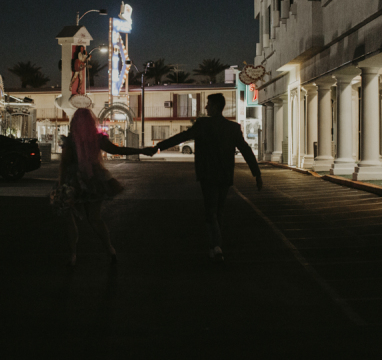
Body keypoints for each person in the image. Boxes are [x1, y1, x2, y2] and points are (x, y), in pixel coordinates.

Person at [147, 93, 263, 262]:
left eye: (208, 104)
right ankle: (216, 245)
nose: (206, 107)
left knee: (210, 212)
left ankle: (216, 246)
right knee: (219, 211)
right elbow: (246, 151)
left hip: (208, 175)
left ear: (215, 107)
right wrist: (257, 174)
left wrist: (158, 147)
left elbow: (182, 137)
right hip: (225, 176)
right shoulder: (233, 128)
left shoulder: (203, 124)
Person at [51, 108, 148, 266]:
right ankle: (110, 250)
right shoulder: (97, 139)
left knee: (70, 220)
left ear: (74, 123)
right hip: (94, 181)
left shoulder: (70, 140)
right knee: (95, 219)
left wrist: (61, 186)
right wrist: (142, 151)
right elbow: (118, 150)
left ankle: (73, 255)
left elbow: (64, 164)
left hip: (72, 182)